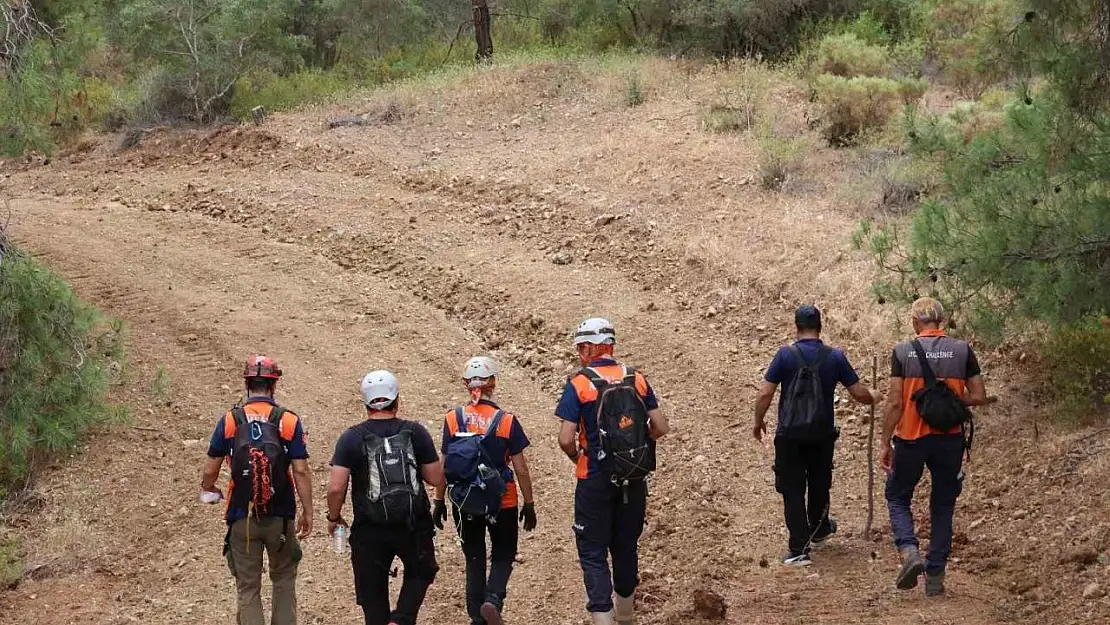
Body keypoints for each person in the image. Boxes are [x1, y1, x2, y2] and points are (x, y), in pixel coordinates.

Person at [555, 317, 669, 625]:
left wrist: (581, 455)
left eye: (581, 347)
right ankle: (627, 617)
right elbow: (660, 426)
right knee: (625, 547)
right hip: (632, 478)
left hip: (593, 478)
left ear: (592, 347)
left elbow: (566, 438)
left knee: (592, 553)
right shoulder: (637, 378)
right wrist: (633, 447)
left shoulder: (580, 383)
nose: (580, 353)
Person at [879, 297, 992, 596]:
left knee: (897, 496)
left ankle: (909, 552)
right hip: (949, 439)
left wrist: (884, 442)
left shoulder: (903, 352)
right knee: (943, 504)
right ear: (941, 321)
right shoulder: (962, 350)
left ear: (916, 321)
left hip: (911, 439)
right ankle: (935, 578)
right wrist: (952, 400)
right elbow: (979, 396)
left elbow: (894, 402)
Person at [753, 305, 878, 566]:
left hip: (790, 433)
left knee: (792, 487)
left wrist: (758, 421)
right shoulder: (835, 357)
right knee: (820, 481)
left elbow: (765, 393)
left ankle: (799, 548)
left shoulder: (785, 355)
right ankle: (819, 529)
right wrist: (874, 396)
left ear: (796, 327)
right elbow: (859, 394)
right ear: (820, 327)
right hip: (822, 434)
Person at [200, 355, 313, 625]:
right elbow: (300, 470)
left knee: (248, 588)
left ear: (247, 383)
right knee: (284, 581)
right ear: (274, 385)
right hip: (280, 515)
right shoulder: (287, 420)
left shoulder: (230, 420)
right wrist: (308, 511)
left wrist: (209, 488)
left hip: (242, 516)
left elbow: (210, 468)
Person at [327, 370, 445, 625]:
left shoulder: (351, 437)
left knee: (372, 594)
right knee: (421, 571)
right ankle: (401, 619)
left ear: (365, 403)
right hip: (413, 526)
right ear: (397, 399)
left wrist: (334, 517)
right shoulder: (415, 432)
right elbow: (436, 478)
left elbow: (336, 487)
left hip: (369, 530)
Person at [433, 356, 537, 625]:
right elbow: (521, 468)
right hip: (503, 499)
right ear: (493, 382)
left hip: (465, 501)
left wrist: (438, 500)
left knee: (474, 558)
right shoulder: (506, 421)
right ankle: (493, 599)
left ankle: (476, 618)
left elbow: (444, 463)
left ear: (467, 384)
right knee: (503, 553)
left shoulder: (453, 419)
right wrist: (529, 503)